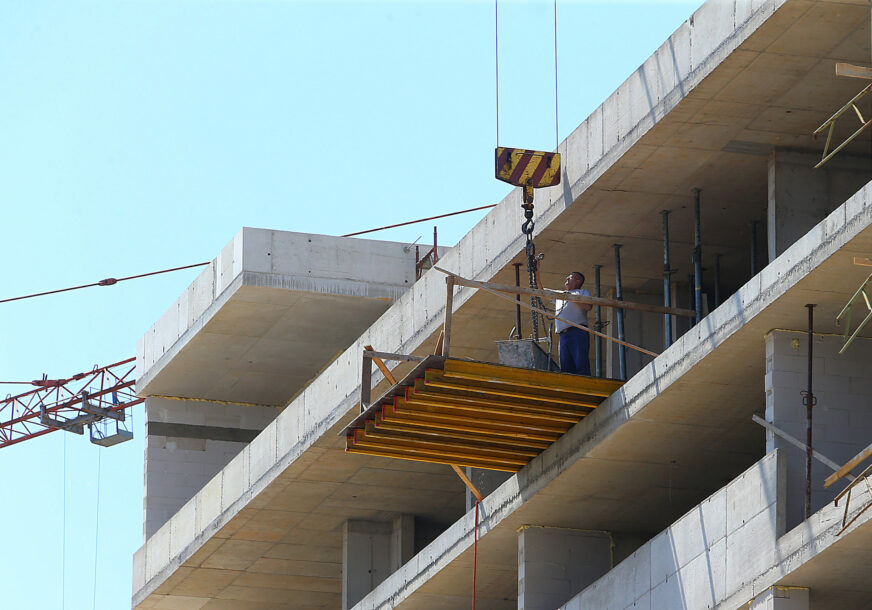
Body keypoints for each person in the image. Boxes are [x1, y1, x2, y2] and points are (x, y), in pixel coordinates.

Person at [536, 264, 592, 376]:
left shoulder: (582, 292)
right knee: (566, 368)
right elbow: (541, 291)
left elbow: (588, 306)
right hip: (563, 335)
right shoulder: (560, 294)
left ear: (577, 281)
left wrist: (570, 297)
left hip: (578, 331)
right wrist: (536, 271)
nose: (567, 278)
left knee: (581, 364)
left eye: (570, 277)